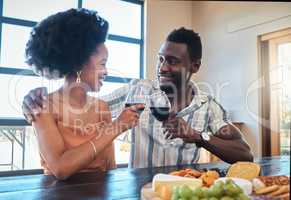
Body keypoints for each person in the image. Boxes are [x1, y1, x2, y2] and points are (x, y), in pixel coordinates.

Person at [23, 27, 253, 169]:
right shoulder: (137, 91)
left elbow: (244, 154)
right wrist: (33, 101)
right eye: (160, 59)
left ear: (195, 65)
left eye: (172, 61)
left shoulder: (209, 107)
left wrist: (197, 137)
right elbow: (82, 104)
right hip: (139, 193)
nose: (162, 68)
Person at [22, 8, 144, 180]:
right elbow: (60, 168)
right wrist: (116, 127)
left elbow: (110, 169)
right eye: (102, 64)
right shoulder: (43, 106)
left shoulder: (102, 107)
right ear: (78, 63)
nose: (106, 71)